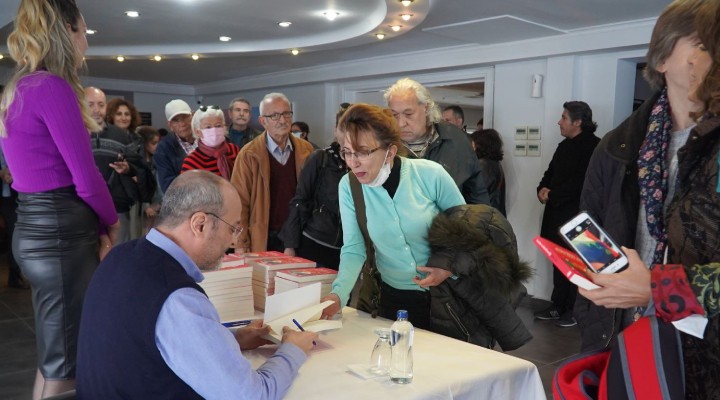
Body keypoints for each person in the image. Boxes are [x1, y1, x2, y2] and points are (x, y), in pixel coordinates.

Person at [76, 170, 318, 399]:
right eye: (233, 228)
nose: (233, 240)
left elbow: (148, 342)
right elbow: (252, 395)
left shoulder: (121, 256)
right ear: (200, 224)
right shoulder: (176, 296)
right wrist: (292, 349)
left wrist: (230, 339)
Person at [580, 3, 720, 395]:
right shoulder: (618, 144)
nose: (708, 55)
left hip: (706, 351)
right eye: (700, 43)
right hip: (628, 333)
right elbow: (594, 226)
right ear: (662, 56)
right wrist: (594, 288)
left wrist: (657, 287)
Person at [0, 0, 120, 397]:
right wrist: (111, 221)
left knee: (55, 357)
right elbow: (85, 178)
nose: (86, 40)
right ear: (65, 31)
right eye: (82, 31)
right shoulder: (52, 87)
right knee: (67, 365)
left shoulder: (18, 88)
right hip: (59, 235)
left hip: (34, 229)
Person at [320, 103, 466, 329]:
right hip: (392, 299)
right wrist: (337, 295)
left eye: (363, 152)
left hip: (445, 299)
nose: (353, 162)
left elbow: (466, 230)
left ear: (390, 151)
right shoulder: (349, 186)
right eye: (346, 152)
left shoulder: (430, 174)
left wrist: (447, 266)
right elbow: (353, 248)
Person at [535, 101, 600, 328]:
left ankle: (575, 309)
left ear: (578, 122)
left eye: (563, 117)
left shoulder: (594, 147)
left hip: (578, 217)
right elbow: (550, 173)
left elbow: (582, 183)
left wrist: (552, 194)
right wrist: (541, 189)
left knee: (578, 263)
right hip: (556, 213)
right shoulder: (564, 146)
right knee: (559, 261)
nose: (559, 122)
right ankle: (558, 305)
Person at [385, 78, 490, 205]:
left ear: (426, 108)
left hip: (451, 222)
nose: (401, 123)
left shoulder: (457, 140)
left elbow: (476, 195)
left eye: (408, 114)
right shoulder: (384, 146)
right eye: (394, 115)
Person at [231, 93, 314, 252]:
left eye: (286, 114)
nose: (282, 120)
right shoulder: (248, 155)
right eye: (275, 116)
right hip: (264, 236)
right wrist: (240, 243)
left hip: (299, 236)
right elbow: (239, 203)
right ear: (263, 121)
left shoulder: (306, 150)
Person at [279, 103, 351, 269]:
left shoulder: (363, 162)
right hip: (314, 241)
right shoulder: (320, 158)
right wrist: (290, 245)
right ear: (336, 130)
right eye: (343, 128)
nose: (348, 134)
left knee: (340, 294)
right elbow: (300, 200)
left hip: (347, 249)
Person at [85, 87, 155, 245]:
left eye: (101, 105)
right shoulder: (72, 134)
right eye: (90, 105)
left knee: (118, 252)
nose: (96, 110)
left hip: (117, 205)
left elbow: (139, 168)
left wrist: (127, 169)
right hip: (84, 206)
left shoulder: (121, 135)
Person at [181, 105, 240, 179]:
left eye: (218, 125)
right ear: (198, 132)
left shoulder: (234, 150)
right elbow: (188, 189)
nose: (214, 130)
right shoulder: (192, 161)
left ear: (224, 127)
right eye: (208, 127)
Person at [155, 99, 197, 193]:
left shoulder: (208, 138)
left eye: (185, 117)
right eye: (176, 120)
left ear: (193, 116)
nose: (182, 124)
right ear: (170, 125)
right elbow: (168, 186)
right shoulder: (163, 149)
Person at [471, 129, 506, 216]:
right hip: (493, 216)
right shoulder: (494, 164)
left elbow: (475, 192)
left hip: (484, 217)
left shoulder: (484, 166)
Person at [136, 126, 162, 234]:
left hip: (157, 207)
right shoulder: (136, 163)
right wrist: (146, 206)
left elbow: (159, 186)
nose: (157, 146)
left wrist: (158, 204)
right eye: (153, 143)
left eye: (158, 142)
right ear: (144, 143)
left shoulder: (157, 161)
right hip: (140, 208)